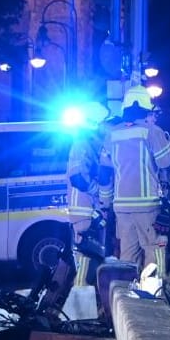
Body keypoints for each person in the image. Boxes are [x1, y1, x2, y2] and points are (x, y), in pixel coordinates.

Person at [100, 86, 170, 272]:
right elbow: (166, 162)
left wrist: (105, 203)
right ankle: (152, 295)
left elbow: (105, 168)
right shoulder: (151, 131)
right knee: (153, 250)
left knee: (127, 255)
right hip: (147, 204)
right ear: (145, 108)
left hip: (121, 207)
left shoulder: (112, 134)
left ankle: (126, 296)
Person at [65, 122, 113, 285]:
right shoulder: (81, 146)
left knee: (91, 258)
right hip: (84, 212)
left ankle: (84, 296)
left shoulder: (88, 146)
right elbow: (77, 177)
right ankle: (79, 298)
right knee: (85, 256)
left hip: (89, 211)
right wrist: (97, 190)